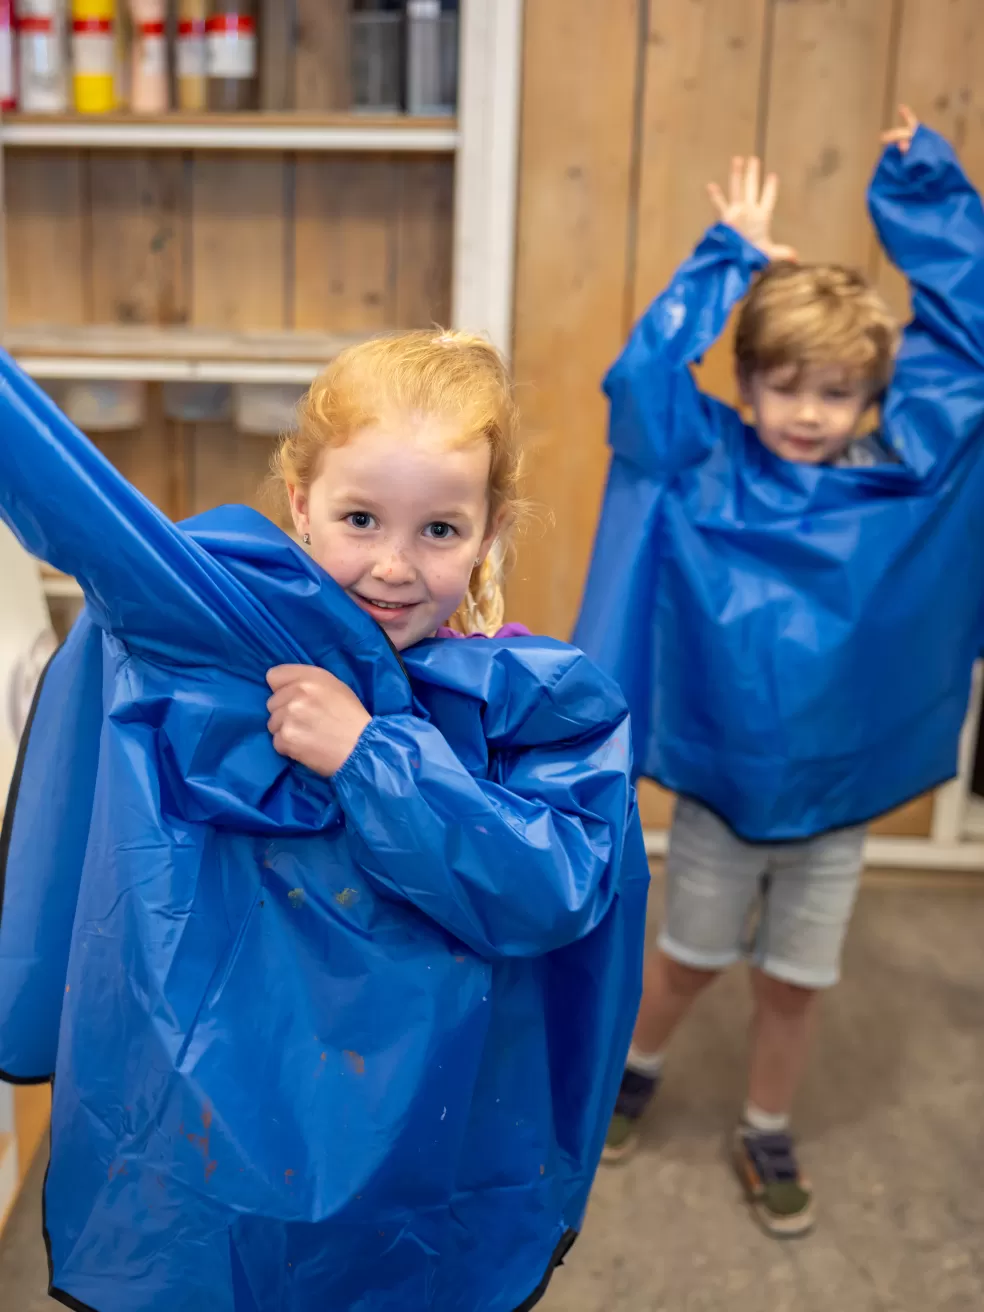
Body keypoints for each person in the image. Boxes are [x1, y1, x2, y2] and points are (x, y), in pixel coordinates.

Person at [0, 330, 650, 1311]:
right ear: (300, 503)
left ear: (490, 528)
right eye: (360, 518)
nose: (393, 565)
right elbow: (87, 519)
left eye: (439, 530)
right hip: (230, 1117)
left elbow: (553, 885)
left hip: (428, 1136)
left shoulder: (536, 706)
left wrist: (368, 756)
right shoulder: (228, 644)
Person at [574, 107, 984, 1237]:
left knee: (798, 981)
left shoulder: (904, 478)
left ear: (873, 399)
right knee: (692, 957)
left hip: (836, 798)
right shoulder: (699, 463)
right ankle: (638, 1069)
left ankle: (765, 1125)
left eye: (837, 391)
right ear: (747, 384)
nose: (809, 412)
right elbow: (646, 372)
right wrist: (732, 260)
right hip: (726, 782)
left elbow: (975, 347)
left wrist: (926, 193)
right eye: (785, 384)